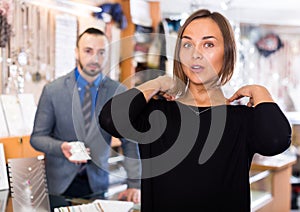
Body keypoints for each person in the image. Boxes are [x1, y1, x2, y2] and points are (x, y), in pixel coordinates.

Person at [99, 9, 291, 211]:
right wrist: (156, 83)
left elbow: (276, 140)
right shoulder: (157, 112)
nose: (196, 54)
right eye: (187, 44)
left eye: (208, 44)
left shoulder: (242, 119)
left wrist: (260, 92)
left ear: (227, 53)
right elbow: (109, 120)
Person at [30, 28, 141, 210]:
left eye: (101, 52)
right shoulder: (53, 91)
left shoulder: (117, 92)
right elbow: (37, 138)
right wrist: (61, 147)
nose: (95, 59)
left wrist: (134, 184)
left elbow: (129, 142)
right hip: (58, 187)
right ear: (76, 52)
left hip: (97, 184)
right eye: (88, 51)